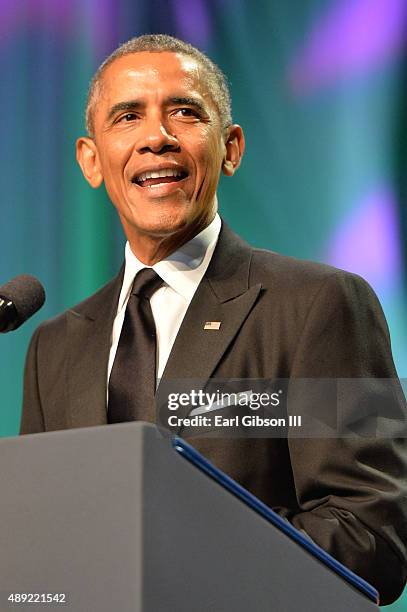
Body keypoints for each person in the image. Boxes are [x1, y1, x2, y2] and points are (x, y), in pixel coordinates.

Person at [20, 34, 407, 604]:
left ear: (230, 148)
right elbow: (42, 550)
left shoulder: (321, 306)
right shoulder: (54, 346)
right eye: (128, 116)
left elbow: (371, 534)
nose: (157, 138)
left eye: (184, 112)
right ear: (91, 159)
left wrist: (186, 564)